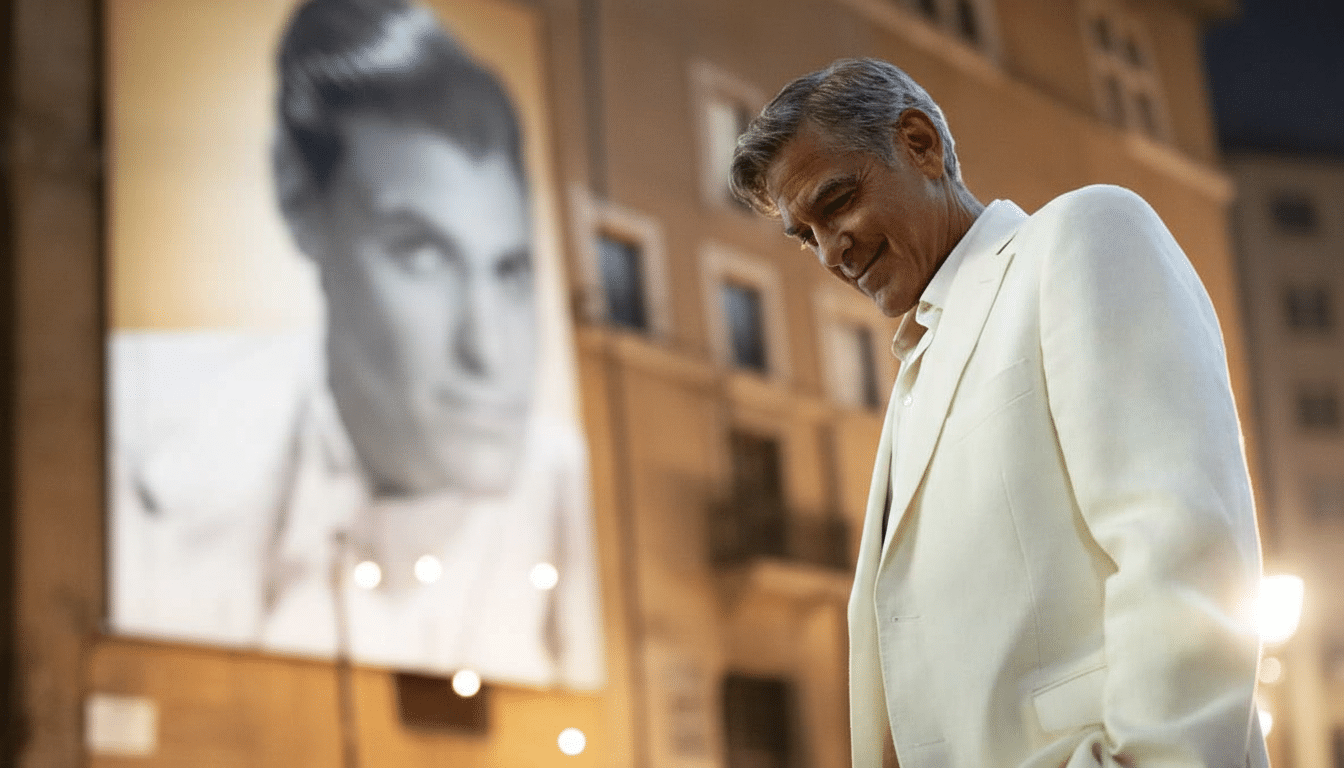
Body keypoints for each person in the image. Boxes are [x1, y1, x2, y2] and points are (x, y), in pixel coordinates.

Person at [730, 58, 1267, 768]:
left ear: (920, 143)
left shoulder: (1083, 234)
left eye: (836, 203)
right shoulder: (912, 379)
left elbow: (1182, 542)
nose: (831, 250)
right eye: (806, 236)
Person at [109, 0, 603, 690]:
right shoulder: (136, 423)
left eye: (510, 270)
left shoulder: (559, 483)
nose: (489, 351)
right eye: (423, 255)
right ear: (299, 199)